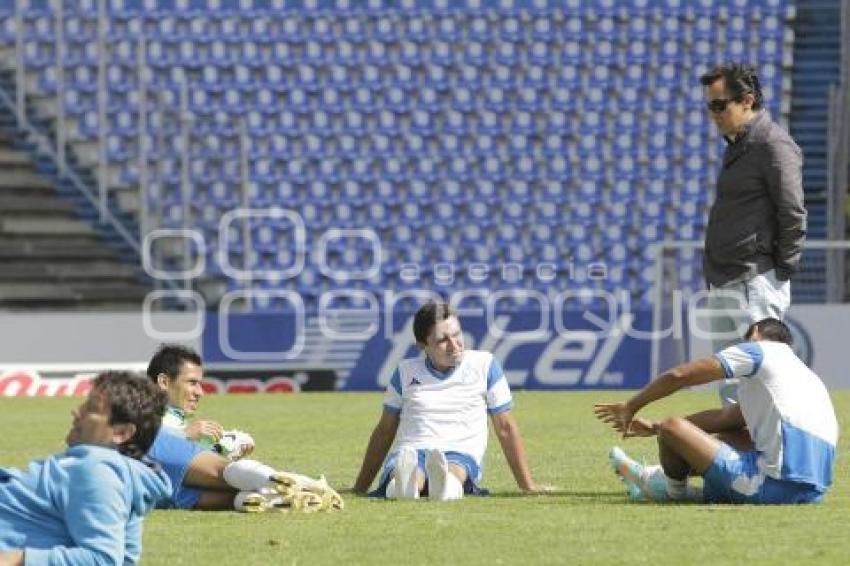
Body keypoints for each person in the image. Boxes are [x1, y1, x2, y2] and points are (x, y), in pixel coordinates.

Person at [594, 318, 837, 505]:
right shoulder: (803, 374)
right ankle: (653, 475)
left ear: (755, 335)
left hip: (775, 488)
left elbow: (680, 375)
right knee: (735, 435)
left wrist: (631, 406)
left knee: (672, 426)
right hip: (812, 491)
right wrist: (653, 427)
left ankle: (671, 491)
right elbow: (727, 418)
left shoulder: (758, 350)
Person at [352, 302, 539, 500]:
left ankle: (433, 486)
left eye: (457, 334)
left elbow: (505, 428)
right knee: (409, 468)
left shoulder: (485, 365)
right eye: (443, 340)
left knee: (453, 471)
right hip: (412, 450)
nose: (454, 344)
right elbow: (384, 431)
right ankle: (409, 485)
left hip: (459, 452)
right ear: (423, 345)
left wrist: (528, 486)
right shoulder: (405, 372)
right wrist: (360, 487)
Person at [699, 64, 806, 404]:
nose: (714, 114)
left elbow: (792, 212)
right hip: (725, 278)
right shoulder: (737, 145)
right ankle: (739, 458)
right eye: (709, 106)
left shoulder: (774, 145)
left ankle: (771, 456)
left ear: (746, 100)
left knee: (761, 382)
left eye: (720, 105)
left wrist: (778, 272)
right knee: (731, 386)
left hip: (754, 280)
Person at [145, 344, 343, 513]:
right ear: (163, 382)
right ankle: (304, 484)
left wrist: (225, 446)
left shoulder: (172, 419)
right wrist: (184, 435)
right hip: (152, 465)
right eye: (192, 383)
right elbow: (138, 436)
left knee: (220, 496)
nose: (200, 392)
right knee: (223, 472)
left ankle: (281, 500)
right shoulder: (140, 412)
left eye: (200, 384)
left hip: (158, 488)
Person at [0, 371, 171, 565]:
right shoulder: (118, 476)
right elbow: (125, 558)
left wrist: (14, 559)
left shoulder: (97, 472)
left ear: (121, 432)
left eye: (91, 408)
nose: (77, 411)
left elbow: (103, 559)